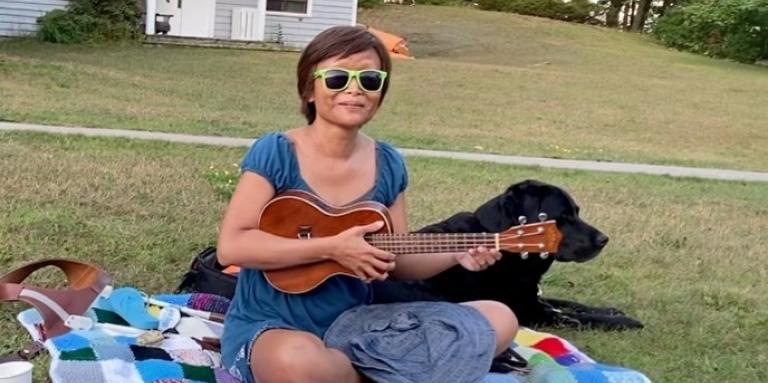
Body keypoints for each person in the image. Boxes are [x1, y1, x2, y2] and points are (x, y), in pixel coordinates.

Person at [217, 25, 519, 383]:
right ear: (309, 89)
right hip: (273, 324)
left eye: (370, 79)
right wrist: (333, 247)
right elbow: (231, 246)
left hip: (358, 327)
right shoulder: (278, 152)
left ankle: (365, 371)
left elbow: (398, 259)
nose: (354, 88)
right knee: (297, 362)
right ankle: (391, 372)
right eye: (337, 77)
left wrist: (457, 253)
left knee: (499, 319)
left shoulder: (388, 163)